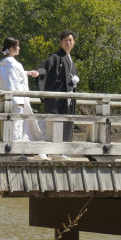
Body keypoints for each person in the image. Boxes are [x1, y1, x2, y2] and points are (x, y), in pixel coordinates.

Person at [0, 37, 47, 159]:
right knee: (17, 125)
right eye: (17, 46)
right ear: (12, 48)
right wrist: (19, 99)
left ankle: (11, 148)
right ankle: (16, 150)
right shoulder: (13, 64)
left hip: (6, 100)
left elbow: (11, 78)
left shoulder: (3, 64)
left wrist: (27, 73)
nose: (19, 48)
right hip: (17, 100)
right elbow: (13, 83)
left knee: (10, 125)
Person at [37, 29, 79, 158]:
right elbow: (45, 68)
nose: (68, 42)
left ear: (74, 43)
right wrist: (38, 73)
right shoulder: (55, 57)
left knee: (65, 122)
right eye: (65, 40)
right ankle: (41, 150)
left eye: (70, 40)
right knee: (50, 121)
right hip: (56, 95)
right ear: (61, 42)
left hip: (67, 97)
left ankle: (59, 150)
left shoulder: (71, 60)